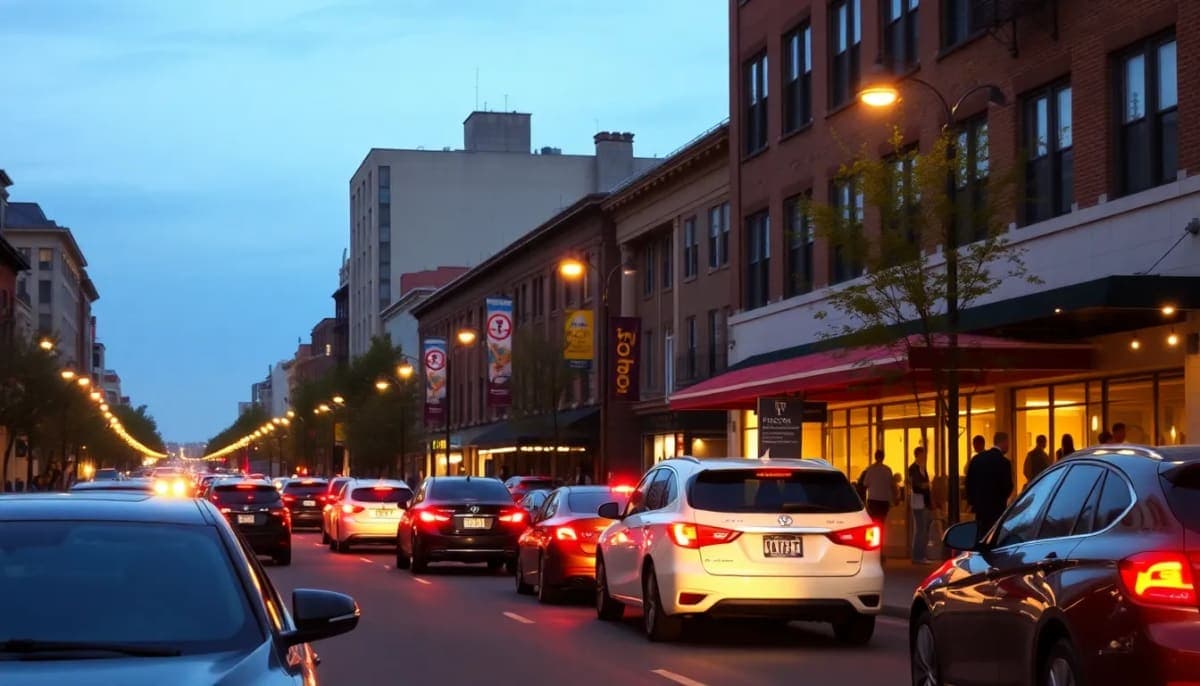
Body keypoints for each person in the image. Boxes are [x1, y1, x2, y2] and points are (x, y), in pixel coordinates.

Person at [965, 432, 1014, 542]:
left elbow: (969, 483)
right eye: (1008, 443)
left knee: (981, 535)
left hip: (980, 509)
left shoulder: (977, 459)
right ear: (1004, 442)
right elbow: (1007, 487)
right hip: (997, 508)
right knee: (994, 538)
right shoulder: (1004, 462)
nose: (1008, 446)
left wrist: (973, 502)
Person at [908, 447, 933, 564]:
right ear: (917, 455)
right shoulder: (914, 468)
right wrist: (925, 486)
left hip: (923, 502)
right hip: (917, 502)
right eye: (922, 455)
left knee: (922, 529)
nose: (924, 457)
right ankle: (918, 556)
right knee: (920, 529)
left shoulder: (922, 468)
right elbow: (916, 486)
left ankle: (919, 555)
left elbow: (924, 485)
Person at [857, 450, 895, 524]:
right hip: (884, 501)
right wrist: (893, 499)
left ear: (875, 457)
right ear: (883, 457)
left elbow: (865, 484)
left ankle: (876, 533)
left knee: (874, 521)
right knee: (882, 521)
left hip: (873, 500)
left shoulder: (870, 470)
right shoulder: (888, 470)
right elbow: (891, 485)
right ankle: (881, 532)